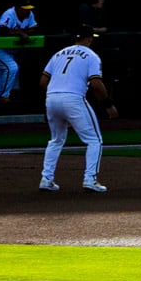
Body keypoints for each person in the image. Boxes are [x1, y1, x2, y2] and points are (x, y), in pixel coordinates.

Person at [37, 24, 113, 194]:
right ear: (89, 39)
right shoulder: (91, 56)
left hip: (52, 98)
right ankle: (90, 179)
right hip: (73, 99)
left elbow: (42, 82)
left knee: (55, 140)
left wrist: (55, 99)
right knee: (94, 140)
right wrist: (108, 105)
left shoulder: (58, 54)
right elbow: (96, 85)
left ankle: (46, 179)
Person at [0, 0, 37, 104]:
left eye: (29, 9)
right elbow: (2, 30)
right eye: (24, 9)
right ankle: (5, 96)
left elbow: (34, 28)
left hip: (9, 51)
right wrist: (21, 34)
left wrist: (19, 31)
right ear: (17, 8)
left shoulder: (29, 14)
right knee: (12, 68)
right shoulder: (9, 13)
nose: (28, 11)